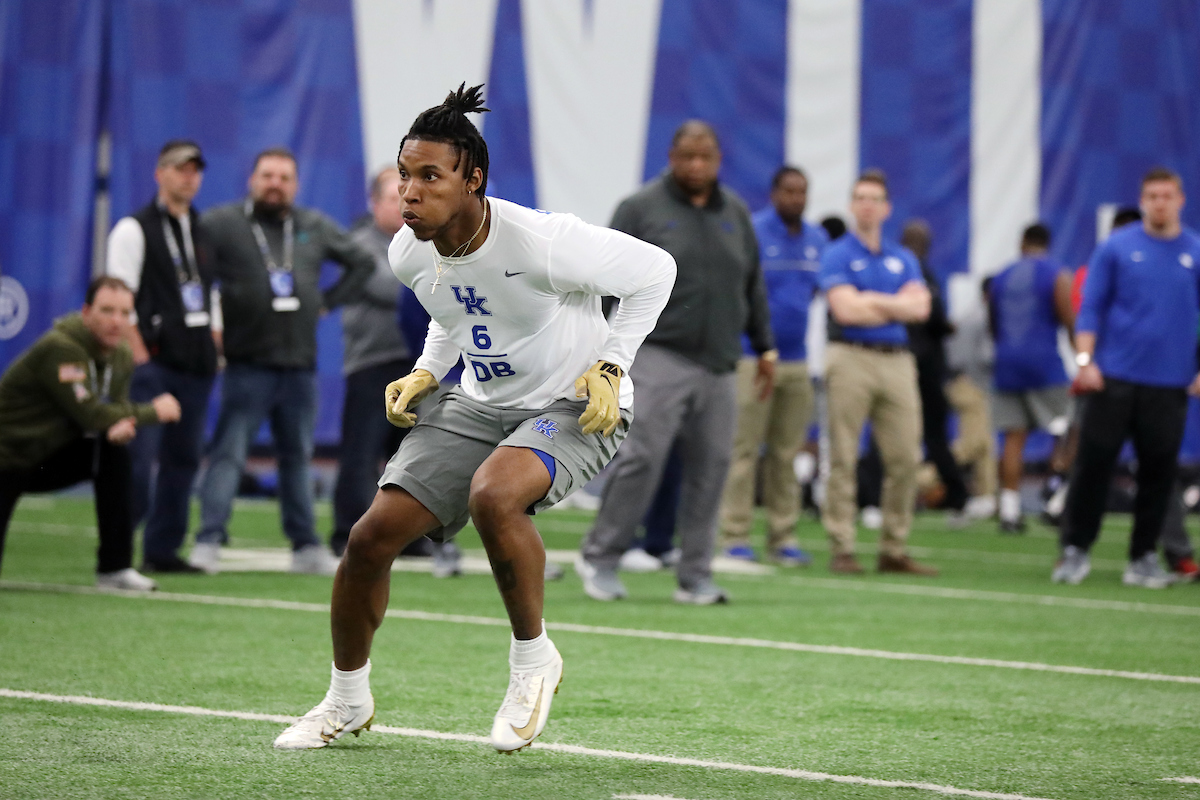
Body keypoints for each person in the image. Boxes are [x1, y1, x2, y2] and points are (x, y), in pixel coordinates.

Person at [272, 85, 675, 753]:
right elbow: (453, 307)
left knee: (495, 494)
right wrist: (431, 368)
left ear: (473, 180)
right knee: (370, 539)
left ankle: (534, 662)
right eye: (405, 175)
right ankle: (346, 700)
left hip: (575, 403)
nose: (410, 192)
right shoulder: (409, 250)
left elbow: (656, 271)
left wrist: (611, 363)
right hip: (483, 403)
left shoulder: (545, 241)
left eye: (430, 176)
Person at [577, 119, 776, 605]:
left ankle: (695, 575)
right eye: (687, 156)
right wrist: (596, 353)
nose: (696, 166)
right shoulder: (640, 208)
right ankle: (601, 558)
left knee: (714, 466)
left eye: (705, 157)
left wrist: (765, 346)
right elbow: (600, 279)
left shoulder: (736, 212)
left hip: (721, 362)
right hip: (657, 352)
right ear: (671, 156)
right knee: (642, 458)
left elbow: (750, 283)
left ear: (718, 160)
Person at [190, 147, 374, 575]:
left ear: (295, 184)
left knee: (297, 457)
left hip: (299, 366)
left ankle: (306, 546)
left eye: (285, 177)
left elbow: (362, 262)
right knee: (229, 454)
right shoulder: (222, 224)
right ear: (252, 179)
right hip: (246, 362)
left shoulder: (311, 225)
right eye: (268, 175)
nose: (276, 184)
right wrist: (217, 315)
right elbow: (193, 273)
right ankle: (208, 540)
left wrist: (326, 303)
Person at [1055, 167, 1200, 588]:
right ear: (1142, 201)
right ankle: (1074, 550)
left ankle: (1143, 558)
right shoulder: (1116, 248)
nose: (1159, 202)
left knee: (1158, 474)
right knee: (1093, 468)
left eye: (1166, 195)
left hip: (1169, 383)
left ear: (1180, 200)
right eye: (1152, 195)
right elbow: (1091, 308)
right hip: (1113, 379)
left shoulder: (1194, 250)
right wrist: (1085, 361)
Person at [0, 277, 181, 588]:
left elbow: (114, 411)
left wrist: (120, 431)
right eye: (107, 311)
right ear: (86, 312)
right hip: (6, 458)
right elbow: (92, 413)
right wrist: (153, 412)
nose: (116, 321)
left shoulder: (121, 354)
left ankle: (115, 568)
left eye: (125, 313)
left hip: (44, 457)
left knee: (113, 453)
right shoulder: (61, 348)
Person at [105, 139, 219, 573]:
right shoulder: (133, 229)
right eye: (179, 168)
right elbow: (120, 299)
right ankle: (116, 550)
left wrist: (215, 346)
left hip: (196, 363)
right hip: (153, 362)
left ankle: (161, 550)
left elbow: (209, 296)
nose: (187, 176)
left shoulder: (202, 229)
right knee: (138, 460)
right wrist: (140, 362)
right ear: (160, 173)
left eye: (194, 170)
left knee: (184, 460)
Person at [819, 170, 938, 576]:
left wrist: (868, 299)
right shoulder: (837, 253)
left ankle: (893, 547)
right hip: (850, 355)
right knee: (844, 455)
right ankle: (842, 546)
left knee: (906, 456)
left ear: (886, 208)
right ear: (853, 205)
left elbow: (922, 309)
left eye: (875, 198)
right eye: (860, 198)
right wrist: (894, 303)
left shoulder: (902, 256)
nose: (867, 205)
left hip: (897, 359)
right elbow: (845, 311)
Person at [717, 165, 825, 566]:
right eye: (789, 191)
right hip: (752, 357)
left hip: (797, 360)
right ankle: (735, 536)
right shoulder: (755, 231)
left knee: (787, 453)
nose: (796, 198)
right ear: (774, 193)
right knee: (744, 449)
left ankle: (783, 536)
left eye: (802, 191)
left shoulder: (817, 239)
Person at [329, 167, 416, 558]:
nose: (403, 205)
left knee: (411, 457)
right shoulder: (360, 245)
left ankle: (408, 537)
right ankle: (348, 533)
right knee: (362, 454)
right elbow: (392, 290)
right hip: (373, 363)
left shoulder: (418, 246)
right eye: (393, 197)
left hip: (414, 366)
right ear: (373, 202)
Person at [988, 224, 1074, 533]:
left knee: (1013, 438)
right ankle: (1055, 498)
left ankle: (1009, 512)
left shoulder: (1001, 276)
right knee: (1069, 430)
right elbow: (1068, 318)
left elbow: (993, 324)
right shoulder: (1056, 273)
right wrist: (1083, 358)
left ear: (1021, 243)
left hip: (1007, 364)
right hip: (1044, 365)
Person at [900, 219, 972, 525]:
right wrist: (946, 327)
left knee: (900, 433)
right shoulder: (922, 273)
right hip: (925, 364)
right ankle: (956, 495)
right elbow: (935, 317)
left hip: (907, 361)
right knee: (931, 435)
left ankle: (882, 496)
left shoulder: (902, 271)